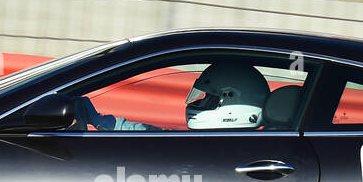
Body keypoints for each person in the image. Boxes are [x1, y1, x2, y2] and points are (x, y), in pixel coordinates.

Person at [76, 61, 270, 131]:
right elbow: (157, 137)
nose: (200, 102)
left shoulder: (224, 151)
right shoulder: (213, 142)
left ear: (231, 101)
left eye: (209, 98)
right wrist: (105, 122)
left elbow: (158, 144)